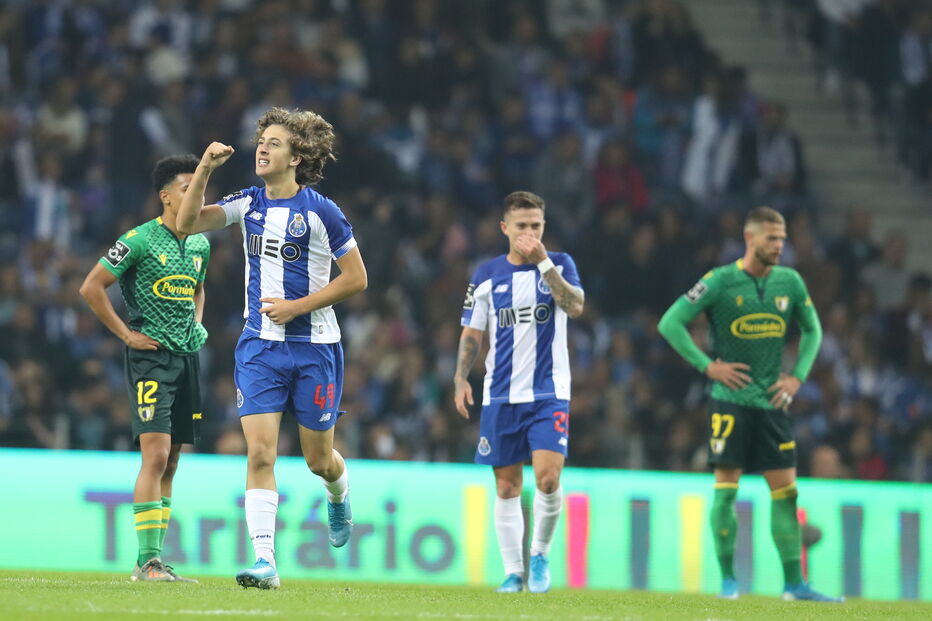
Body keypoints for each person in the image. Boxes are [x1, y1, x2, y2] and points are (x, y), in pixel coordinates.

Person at [176, 107, 367, 590]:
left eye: (275, 143)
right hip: (259, 347)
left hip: (315, 348)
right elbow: (186, 222)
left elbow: (357, 279)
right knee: (260, 454)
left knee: (318, 460)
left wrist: (297, 306)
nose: (263, 148)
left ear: (297, 157)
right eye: (262, 141)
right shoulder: (248, 202)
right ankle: (266, 563)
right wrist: (204, 169)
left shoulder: (322, 211)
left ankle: (338, 493)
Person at [657, 206, 843, 602]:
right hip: (730, 402)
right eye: (772, 238)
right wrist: (707, 367)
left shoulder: (789, 282)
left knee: (786, 493)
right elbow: (670, 321)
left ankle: (794, 585)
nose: (779, 246)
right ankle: (728, 582)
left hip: (772, 402)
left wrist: (797, 376)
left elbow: (813, 330)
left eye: (782, 238)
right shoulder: (720, 281)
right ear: (750, 238)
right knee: (726, 491)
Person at [79, 154, 209, 583]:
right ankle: (148, 562)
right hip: (150, 358)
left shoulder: (200, 243)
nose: (196, 194)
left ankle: (151, 560)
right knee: (154, 455)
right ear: (166, 196)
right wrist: (126, 334)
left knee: (172, 461)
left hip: (186, 359)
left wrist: (198, 322)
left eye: (200, 187)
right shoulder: (137, 240)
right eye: (188, 187)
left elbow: (198, 287)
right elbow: (92, 286)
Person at [454, 191, 584, 593]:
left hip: (548, 392)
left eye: (536, 226)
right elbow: (473, 332)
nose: (529, 233)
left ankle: (541, 554)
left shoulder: (559, 264)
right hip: (501, 394)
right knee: (507, 486)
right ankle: (514, 572)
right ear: (504, 228)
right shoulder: (487, 274)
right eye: (522, 226)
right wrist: (460, 378)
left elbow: (575, 306)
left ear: (544, 228)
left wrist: (544, 261)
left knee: (547, 479)